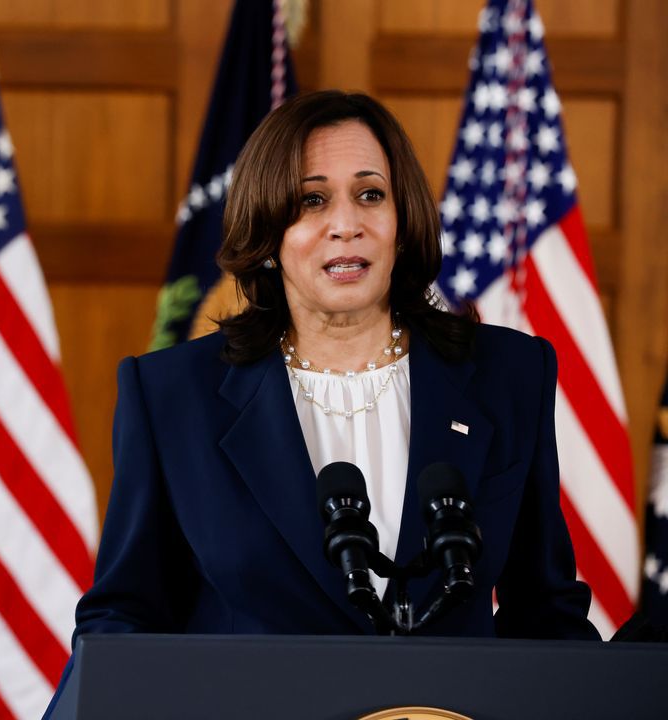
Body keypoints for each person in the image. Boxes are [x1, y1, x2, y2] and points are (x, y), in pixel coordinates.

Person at [48, 89, 598, 712]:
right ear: (268, 228)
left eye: (371, 194)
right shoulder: (173, 396)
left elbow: (545, 612)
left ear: (402, 216)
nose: (347, 224)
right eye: (312, 200)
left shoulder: (509, 376)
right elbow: (124, 616)